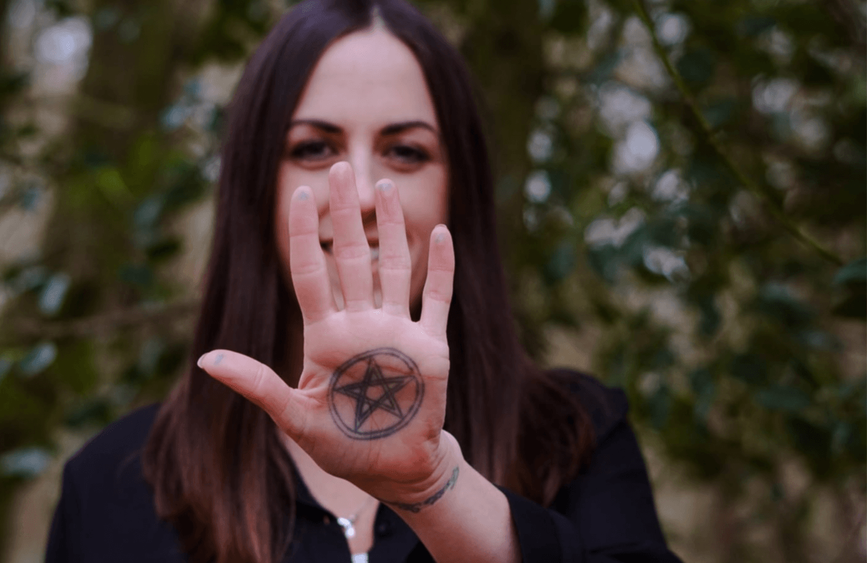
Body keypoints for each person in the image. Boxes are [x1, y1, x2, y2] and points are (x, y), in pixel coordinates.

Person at [46, 1, 684, 562]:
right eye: (314, 149)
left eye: (405, 151)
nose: (358, 193)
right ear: (255, 189)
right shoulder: (112, 485)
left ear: (458, 190)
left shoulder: (576, 436)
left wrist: (435, 491)